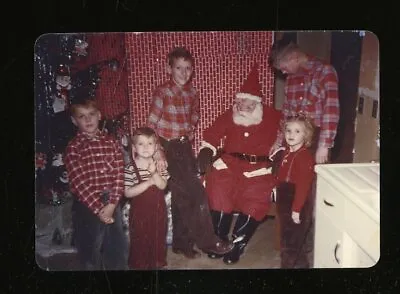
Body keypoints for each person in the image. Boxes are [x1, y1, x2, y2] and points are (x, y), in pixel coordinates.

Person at [147, 46, 234, 259]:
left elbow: (194, 114)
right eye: (178, 68)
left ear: (192, 70)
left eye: (188, 68)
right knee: (196, 194)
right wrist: (157, 152)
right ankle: (208, 241)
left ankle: (181, 242)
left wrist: (190, 131)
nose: (183, 73)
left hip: (183, 146)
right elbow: (151, 125)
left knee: (180, 197)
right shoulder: (163, 91)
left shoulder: (193, 92)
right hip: (167, 146)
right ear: (169, 69)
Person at [197, 63, 282, 264]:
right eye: (240, 101)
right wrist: (206, 150)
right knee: (217, 184)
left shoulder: (272, 116)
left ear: (257, 103)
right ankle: (218, 240)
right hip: (229, 162)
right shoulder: (230, 115)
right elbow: (211, 134)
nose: (244, 105)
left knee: (257, 194)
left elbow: (285, 137)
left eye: (249, 102)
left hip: (258, 168)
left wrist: (279, 155)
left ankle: (237, 244)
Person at [64, 98, 128, 270]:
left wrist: (113, 203)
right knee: (90, 247)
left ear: (99, 115)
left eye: (91, 114)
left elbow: (119, 174)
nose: (88, 119)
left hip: (112, 201)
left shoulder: (112, 143)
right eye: (81, 116)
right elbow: (79, 182)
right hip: (87, 204)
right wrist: (99, 208)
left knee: (116, 245)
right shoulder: (73, 148)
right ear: (74, 120)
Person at [268, 40, 340, 164]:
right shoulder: (291, 78)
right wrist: (279, 140)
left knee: (314, 178)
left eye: (283, 67)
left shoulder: (324, 71)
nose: (283, 72)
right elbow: (286, 112)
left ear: (294, 58)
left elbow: (331, 111)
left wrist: (324, 146)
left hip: (316, 137)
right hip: (294, 134)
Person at [271, 113, 316, 268]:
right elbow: (281, 174)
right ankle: (302, 266)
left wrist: (296, 210)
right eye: (288, 130)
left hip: (297, 203)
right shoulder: (287, 152)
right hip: (285, 199)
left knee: (291, 242)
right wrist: (276, 189)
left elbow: (303, 186)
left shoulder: (305, 157)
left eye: (297, 131)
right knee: (289, 237)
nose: (291, 134)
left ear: (306, 135)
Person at [124, 127, 169, 270]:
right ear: (134, 147)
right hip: (139, 213)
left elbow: (162, 186)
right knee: (140, 239)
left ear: (156, 147)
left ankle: (157, 263)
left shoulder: (160, 166)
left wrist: (154, 174)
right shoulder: (130, 168)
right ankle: (139, 265)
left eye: (150, 144)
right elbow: (127, 193)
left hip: (158, 211)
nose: (145, 148)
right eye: (141, 144)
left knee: (158, 237)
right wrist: (148, 182)